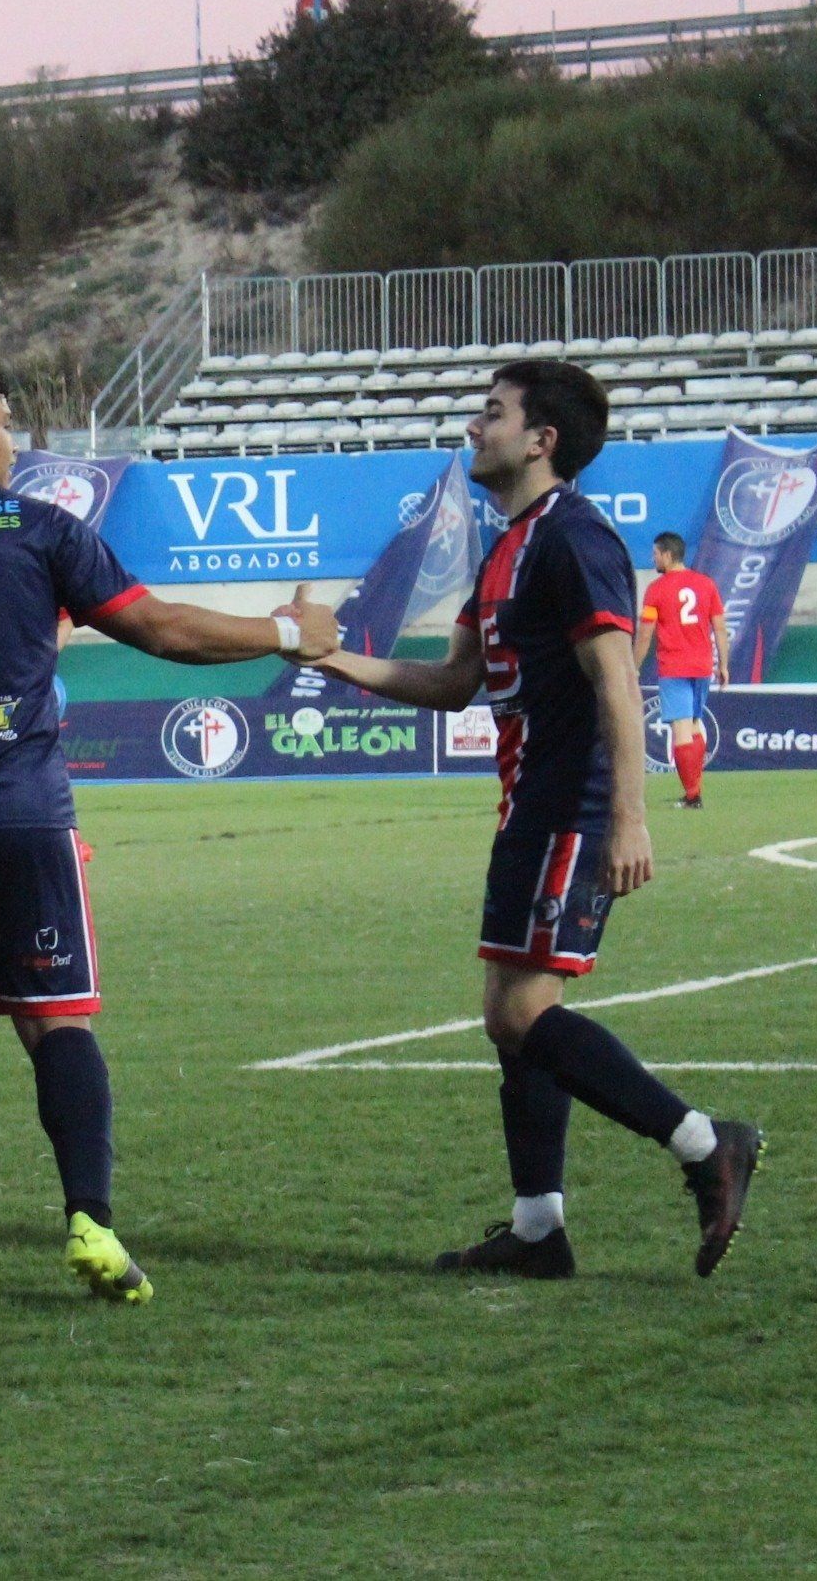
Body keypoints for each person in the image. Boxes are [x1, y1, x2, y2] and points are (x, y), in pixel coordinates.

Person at [0, 349, 342, 1304]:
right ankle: (91, 1221)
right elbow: (160, 628)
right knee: (57, 1022)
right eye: (6, 424)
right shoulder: (41, 530)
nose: (16, 442)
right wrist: (291, 633)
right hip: (26, 817)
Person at [310, 361, 764, 1280]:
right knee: (506, 1015)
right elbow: (453, 682)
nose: (475, 428)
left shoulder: (575, 539)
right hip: (528, 805)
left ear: (540, 439)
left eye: (492, 413)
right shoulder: (506, 546)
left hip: (572, 805)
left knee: (524, 1010)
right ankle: (537, 1229)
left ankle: (705, 1140)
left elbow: (616, 681)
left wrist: (631, 819)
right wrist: (340, 660)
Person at [637, 531, 725, 810]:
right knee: (695, 724)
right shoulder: (706, 584)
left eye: (655, 554)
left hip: (674, 666)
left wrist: (632, 668)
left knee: (681, 730)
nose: (653, 559)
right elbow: (720, 627)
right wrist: (724, 664)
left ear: (666, 554)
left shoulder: (656, 590)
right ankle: (694, 789)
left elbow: (645, 635)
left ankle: (692, 796)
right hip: (702, 666)